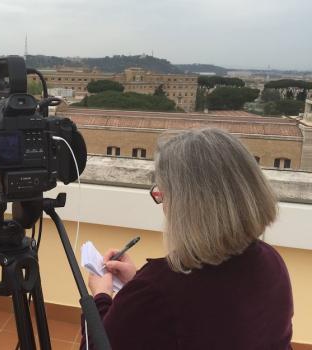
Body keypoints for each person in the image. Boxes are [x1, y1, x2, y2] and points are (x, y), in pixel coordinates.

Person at [82, 128, 293, 349]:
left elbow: (100, 345)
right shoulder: (270, 260)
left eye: (162, 194)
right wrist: (135, 287)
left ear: (185, 206)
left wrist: (101, 296)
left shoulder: (157, 290)